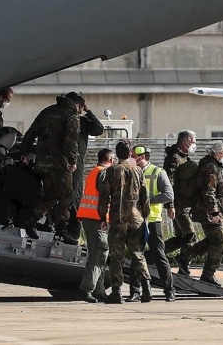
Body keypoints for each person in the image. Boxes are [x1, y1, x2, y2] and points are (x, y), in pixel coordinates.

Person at [21, 94, 80, 243]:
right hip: (60, 163)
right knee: (67, 195)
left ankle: (31, 220)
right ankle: (61, 230)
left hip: (42, 162)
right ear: (77, 105)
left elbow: (31, 132)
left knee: (52, 194)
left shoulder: (47, 111)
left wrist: (25, 152)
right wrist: (73, 160)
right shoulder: (71, 114)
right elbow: (70, 140)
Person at [98, 141, 150, 304]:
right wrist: (145, 215)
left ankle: (116, 292)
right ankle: (146, 288)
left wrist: (102, 217)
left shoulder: (111, 171)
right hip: (136, 219)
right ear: (129, 154)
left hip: (118, 218)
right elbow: (144, 195)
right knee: (137, 254)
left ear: (117, 153)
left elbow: (104, 196)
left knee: (116, 257)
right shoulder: (137, 170)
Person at [128, 145, 176, 302]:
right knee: (136, 255)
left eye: (133, 156)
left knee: (159, 255)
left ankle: (169, 290)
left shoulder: (158, 172)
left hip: (153, 220)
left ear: (142, 157)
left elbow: (168, 195)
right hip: (135, 220)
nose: (131, 158)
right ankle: (135, 292)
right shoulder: (131, 172)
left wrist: (147, 201)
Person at [177, 141, 223, 286]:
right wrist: (215, 212)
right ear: (218, 153)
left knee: (213, 240)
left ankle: (185, 257)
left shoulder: (212, 165)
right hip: (208, 211)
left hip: (207, 210)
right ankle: (208, 273)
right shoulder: (210, 167)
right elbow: (209, 191)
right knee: (219, 241)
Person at [75, 148, 114, 303]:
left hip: (90, 218)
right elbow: (104, 198)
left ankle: (99, 291)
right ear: (110, 160)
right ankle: (86, 290)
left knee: (97, 255)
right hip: (97, 219)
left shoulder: (94, 172)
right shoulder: (103, 173)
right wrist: (105, 218)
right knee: (99, 254)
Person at [65, 92, 104, 240]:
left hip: (68, 160)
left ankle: (69, 228)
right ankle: (73, 230)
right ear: (77, 105)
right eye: (81, 107)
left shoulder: (82, 121)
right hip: (73, 160)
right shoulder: (71, 119)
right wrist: (88, 110)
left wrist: (88, 112)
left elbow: (99, 129)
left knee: (69, 193)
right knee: (74, 194)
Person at [163, 130, 198, 266]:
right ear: (186, 142)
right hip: (178, 205)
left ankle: (154, 255)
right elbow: (169, 182)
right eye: (193, 142)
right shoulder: (175, 158)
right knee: (190, 236)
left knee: (182, 238)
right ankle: (183, 265)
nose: (195, 144)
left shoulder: (183, 157)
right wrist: (170, 206)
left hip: (183, 204)